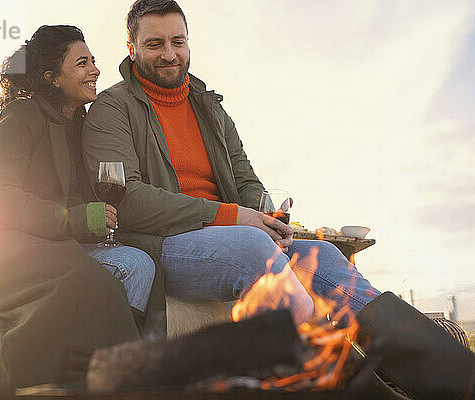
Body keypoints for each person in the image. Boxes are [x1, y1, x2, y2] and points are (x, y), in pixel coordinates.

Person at [82, 1, 475, 397]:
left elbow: (247, 179)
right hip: (162, 243)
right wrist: (234, 217)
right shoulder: (111, 108)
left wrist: (268, 215)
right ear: (131, 48)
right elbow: (128, 199)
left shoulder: (210, 108)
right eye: (154, 44)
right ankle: (358, 391)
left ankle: (457, 381)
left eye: (177, 41)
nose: (169, 54)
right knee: (251, 246)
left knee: (326, 258)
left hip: (232, 232)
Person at [0, 25, 158, 399]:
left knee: (140, 264)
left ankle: (101, 375)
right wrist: (77, 218)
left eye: (94, 61)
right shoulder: (21, 116)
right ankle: (13, 376)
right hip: (8, 247)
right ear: (52, 76)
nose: (95, 70)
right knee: (101, 280)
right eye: (82, 63)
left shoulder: (84, 124)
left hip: (56, 241)